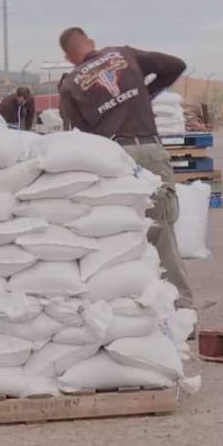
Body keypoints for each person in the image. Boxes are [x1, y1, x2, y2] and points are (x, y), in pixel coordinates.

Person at [56, 27, 196, 310]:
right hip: (149, 148)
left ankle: (130, 302)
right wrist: (147, 92)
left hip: (114, 157)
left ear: (68, 57)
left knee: (119, 231)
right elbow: (176, 65)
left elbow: (79, 134)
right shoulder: (122, 54)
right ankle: (179, 304)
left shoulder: (70, 84)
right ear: (91, 41)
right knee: (161, 228)